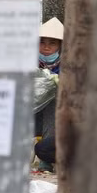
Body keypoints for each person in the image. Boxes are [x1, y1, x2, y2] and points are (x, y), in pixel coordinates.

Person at [34, 17, 63, 168]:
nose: (46, 47)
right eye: (42, 42)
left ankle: (45, 161)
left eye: (52, 43)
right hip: (31, 113)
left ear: (60, 46)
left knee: (53, 98)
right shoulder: (29, 62)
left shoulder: (68, 65)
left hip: (57, 119)